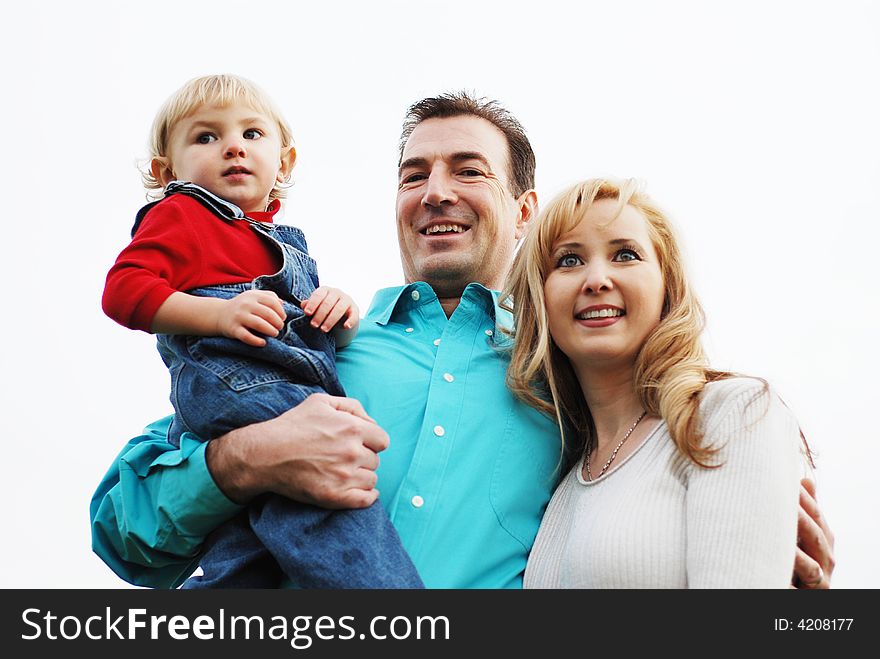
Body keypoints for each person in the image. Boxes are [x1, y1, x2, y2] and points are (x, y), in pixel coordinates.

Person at [91, 92, 835, 589]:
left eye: (467, 170)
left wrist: (759, 543)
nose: (435, 191)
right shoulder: (315, 342)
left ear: (524, 209)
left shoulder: (569, 378)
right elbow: (122, 527)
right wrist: (242, 461)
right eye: (414, 174)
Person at [101, 74, 422, 589]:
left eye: (252, 134)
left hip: (284, 380)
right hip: (240, 383)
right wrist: (217, 316)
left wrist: (339, 317)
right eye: (206, 137)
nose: (233, 146)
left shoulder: (284, 244)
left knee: (248, 550)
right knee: (332, 498)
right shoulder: (181, 214)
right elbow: (122, 291)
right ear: (167, 171)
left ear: (284, 162)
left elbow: (313, 338)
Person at [505, 178, 816, 587]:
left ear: (667, 286)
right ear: (539, 297)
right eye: (568, 261)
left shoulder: (732, 414)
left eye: (625, 255)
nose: (596, 279)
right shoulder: (562, 480)